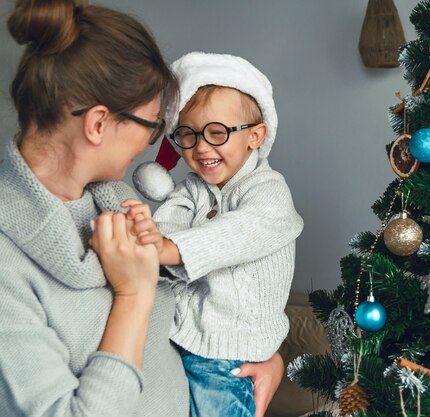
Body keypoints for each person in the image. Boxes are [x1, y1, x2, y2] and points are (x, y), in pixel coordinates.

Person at [0, 1, 283, 416]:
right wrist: (133, 295)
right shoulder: (8, 264)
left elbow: (177, 327)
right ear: (98, 124)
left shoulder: (112, 202)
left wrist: (258, 356)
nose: (152, 146)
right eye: (154, 126)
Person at [128, 52, 304, 417]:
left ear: (255, 136)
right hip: (177, 338)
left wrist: (168, 248)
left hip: (229, 354)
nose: (201, 147)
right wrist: (150, 237)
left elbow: (239, 233)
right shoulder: (189, 190)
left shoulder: (268, 190)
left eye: (217, 133)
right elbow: (165, 229)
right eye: (188, 135)